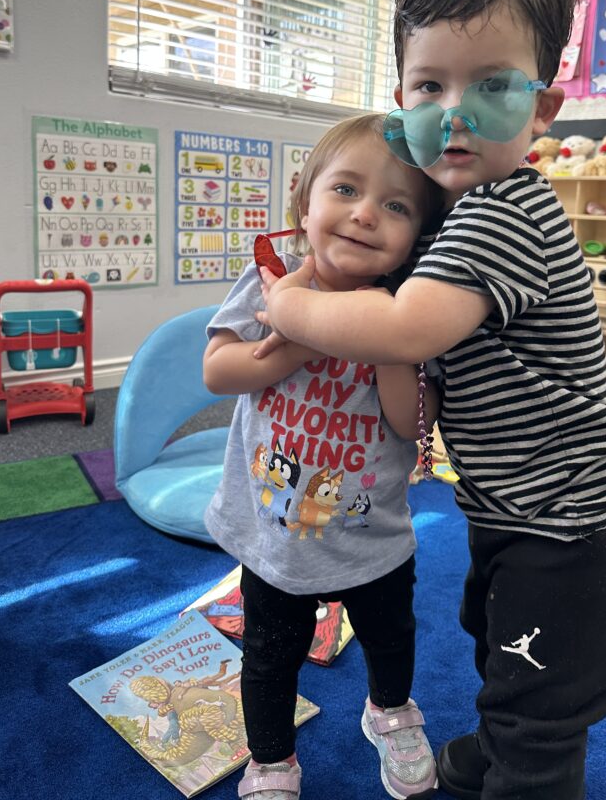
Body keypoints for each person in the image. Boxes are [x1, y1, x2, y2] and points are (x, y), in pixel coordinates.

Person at [256, 0, 606, 800]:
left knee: (543, 701)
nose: (458, 111)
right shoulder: (457, 206)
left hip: (573, 527)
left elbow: (405, 330)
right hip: (518, 507)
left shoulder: (504, 212)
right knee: (500, 643)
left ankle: (525, 766)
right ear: (401, 101)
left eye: (494, 86)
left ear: (543, 112)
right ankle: (495, 748)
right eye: (432, 85)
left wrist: (290, 305)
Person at [202, 112, 444, 800]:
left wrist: (379, 338)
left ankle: (389, 711)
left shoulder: (411, 310)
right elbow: (219, 373)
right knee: (269, 656)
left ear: (415, 239)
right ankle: (272, 759)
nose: (365, 214)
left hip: (373, 534)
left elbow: (407, 421)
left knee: (391, 637)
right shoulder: (272, 286)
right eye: (345, 190)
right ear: (303, 202)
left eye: (395, 205)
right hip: (275, 533)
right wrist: (302, 334)